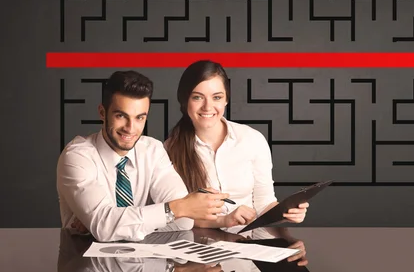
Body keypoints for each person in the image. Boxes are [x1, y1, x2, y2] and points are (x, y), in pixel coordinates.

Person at [56, 70, 230, 242]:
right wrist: (170, 211)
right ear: (102, 113)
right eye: (121, 116)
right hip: (84, 263)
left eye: (140, 118)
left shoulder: (152, 150)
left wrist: (117, 222)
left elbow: (184, 221)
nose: (130, 128)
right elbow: (104, 227)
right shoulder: (77, 156)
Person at [164, 60, 309, 231]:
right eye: (197, 97)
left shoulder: (252, 139)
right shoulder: (169, 150)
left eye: (217, 97)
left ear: (226, 100)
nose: (208, 106)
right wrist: (224, 220)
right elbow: (176, 217)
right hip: (197, 246)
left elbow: (264, 204)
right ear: (184, 100)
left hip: (248, 244)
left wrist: (286, 213)